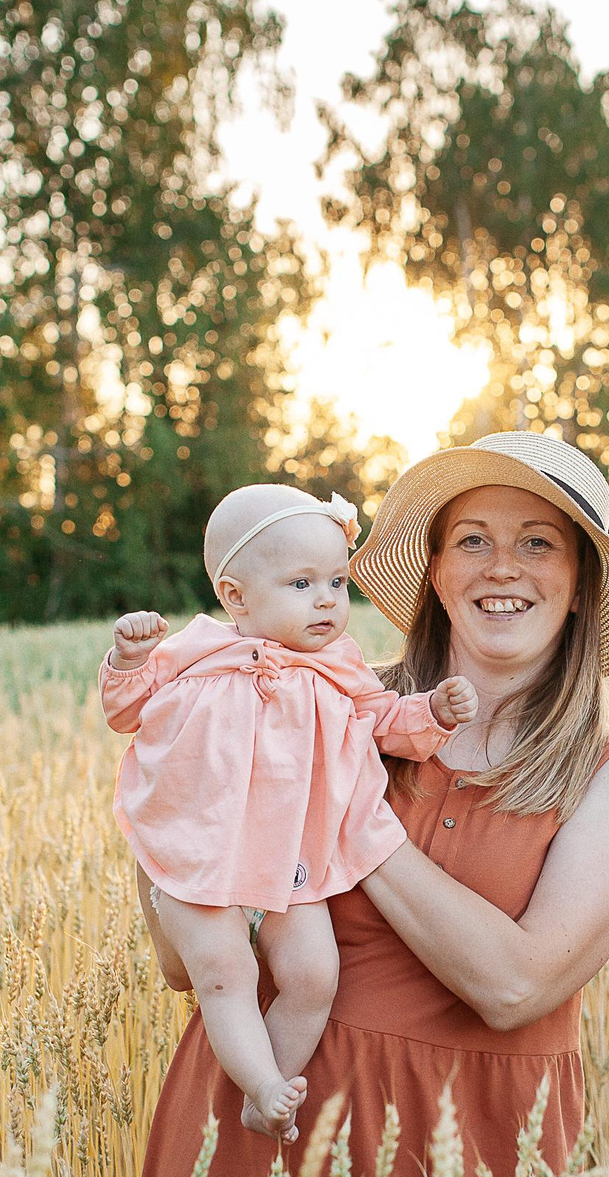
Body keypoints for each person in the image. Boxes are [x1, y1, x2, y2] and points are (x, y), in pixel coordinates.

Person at [128, 431, 609, 1177]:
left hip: (468, 1155)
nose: (501, 566)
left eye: (537, 543)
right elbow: (181, 957)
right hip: (263, 1119)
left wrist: (347, 812)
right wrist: (174, 839)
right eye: (471, 538)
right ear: (433, 570)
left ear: (580, 582)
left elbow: (515, 982)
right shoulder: (315, 698)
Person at [101, 484, 478, 1141]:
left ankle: (268, 1090)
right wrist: (128, 659)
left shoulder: (340, 666)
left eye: (337, 581)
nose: (328, 598)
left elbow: (383, 723)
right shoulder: (192, 652)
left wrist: (431, 715)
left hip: (293, 866)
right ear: (236, 595)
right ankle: (262, 1083)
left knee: (314, 975)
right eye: (302, 583)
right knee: (225, 973)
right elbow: (126, 712)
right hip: (203, 858)